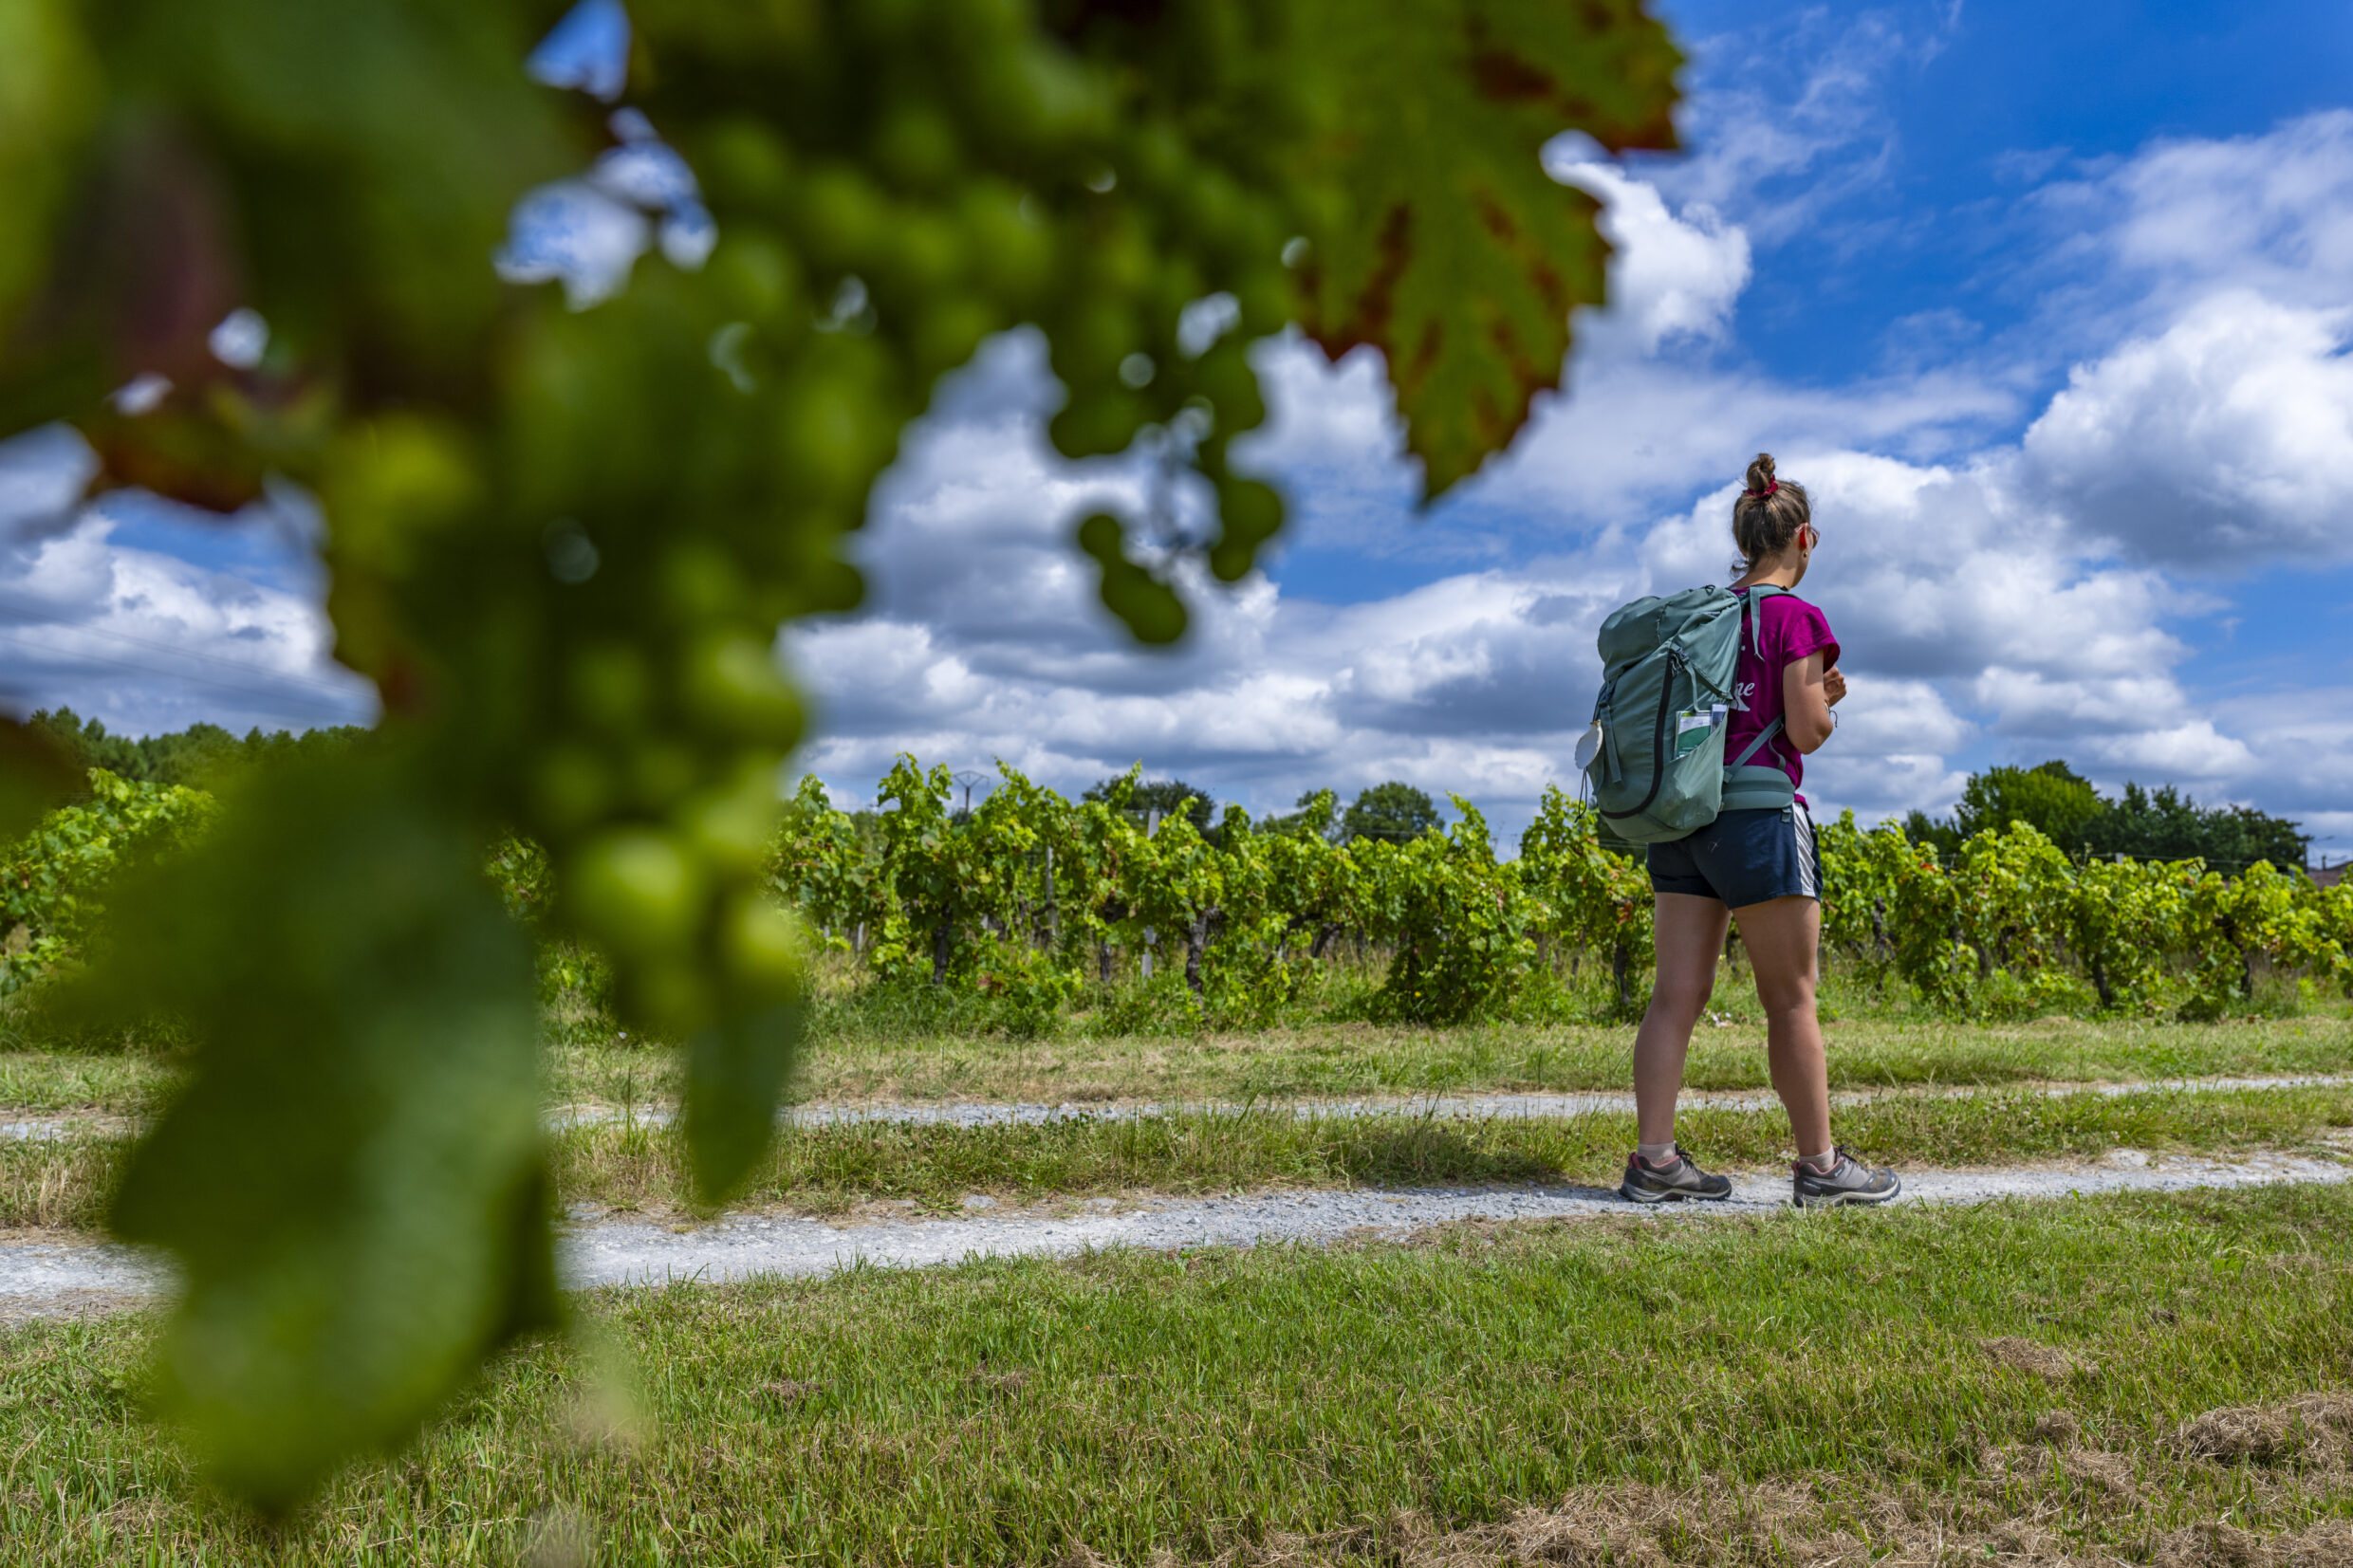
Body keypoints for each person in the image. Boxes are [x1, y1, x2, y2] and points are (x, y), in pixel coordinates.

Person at [1618, 453, 1900, 1209]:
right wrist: (1827, 701)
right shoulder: (1797, 618)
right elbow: (1805, 733)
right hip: (1760, 820)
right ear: (1804, 538)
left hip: (1681, 820)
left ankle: (1654, 1160)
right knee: (1790, 1000)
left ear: (1745, 536)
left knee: (1674, 996)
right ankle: (1820, 1166)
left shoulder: (1703, 615)